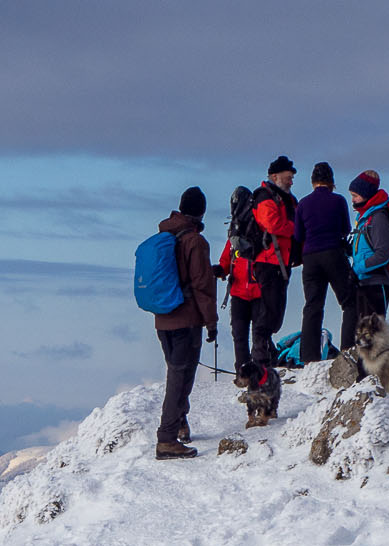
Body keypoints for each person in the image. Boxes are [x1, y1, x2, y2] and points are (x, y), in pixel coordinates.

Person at [152, 186, 218, 459]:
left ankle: (179, 422)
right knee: (180, 378)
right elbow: (202, 285)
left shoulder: (164, 235)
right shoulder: (195, 242)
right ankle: (166, 438)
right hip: (186, 320)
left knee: (176, 372)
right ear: (201, 211)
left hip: (162, 319)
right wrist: (211, 322)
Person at [217, 156, 298, 373]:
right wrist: (295, 228)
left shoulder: (239, 231)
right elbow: (271, 224)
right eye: (288, 177)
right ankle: (253, 368)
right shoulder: (265, 201)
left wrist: (221, 269)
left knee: (247, 330)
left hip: (247, 285)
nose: (291, 181)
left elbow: (228, 255)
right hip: (256, 280)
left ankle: (248, 369)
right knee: (253, 328)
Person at [292, 161, 356, 366]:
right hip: (333, 253)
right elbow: (346, 229)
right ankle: (348, 350)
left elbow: (298, 234)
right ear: (331, 182)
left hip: (310, 257)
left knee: (312, 306)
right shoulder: (338, 201)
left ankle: (308, 357)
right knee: (349, 301)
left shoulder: (302, 204)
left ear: (312, 182)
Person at [346, 170, 389, 321]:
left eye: (355, 196)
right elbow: (364, 249)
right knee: (366, 333)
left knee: (374, 334)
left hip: (376, 283)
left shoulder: (378, 217)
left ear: (366, 194)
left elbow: (383, 253)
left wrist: (357, 269)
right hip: (365, 282)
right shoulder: (364, 217)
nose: (352, 200)